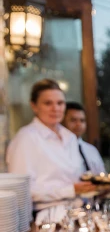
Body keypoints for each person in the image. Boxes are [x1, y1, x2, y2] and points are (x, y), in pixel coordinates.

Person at [6, 79, 92, 222]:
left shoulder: (69, 137)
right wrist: (71, 190)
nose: (56, 109)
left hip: (78, 213)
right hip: (46, 220)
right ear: (34, 106)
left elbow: (72, 177)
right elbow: (23, 191)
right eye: (48, 103)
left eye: (60, 103)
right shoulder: (25, 139)